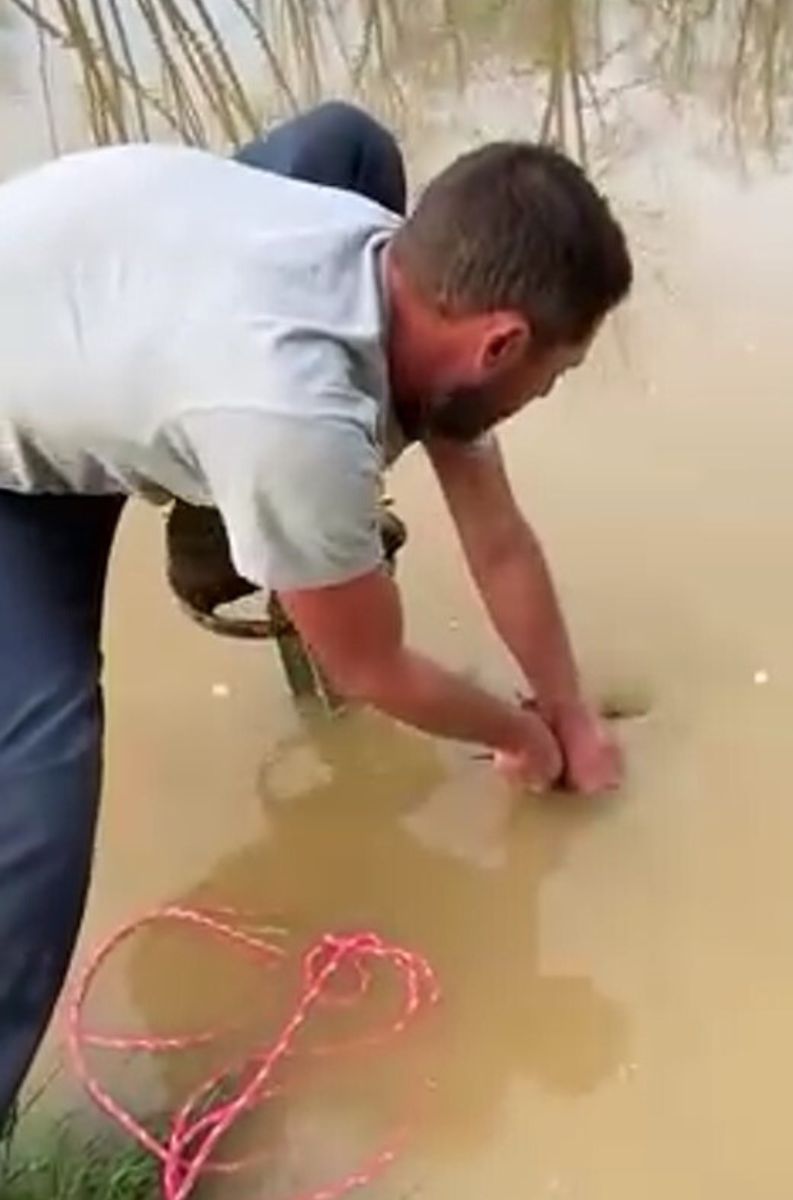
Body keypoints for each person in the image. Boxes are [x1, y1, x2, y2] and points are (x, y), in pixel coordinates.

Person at [0, 102, 633, 1118]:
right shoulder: (297, 417)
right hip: (16, 442)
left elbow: (498, 536)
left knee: (349, 139)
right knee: (38, 771)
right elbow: (370, 669)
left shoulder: (374, 245)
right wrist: (522, 737)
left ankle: (237, 517)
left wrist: (574, 711)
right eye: (553, 373)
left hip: (94, 295)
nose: (545, 393)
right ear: (501, 339)